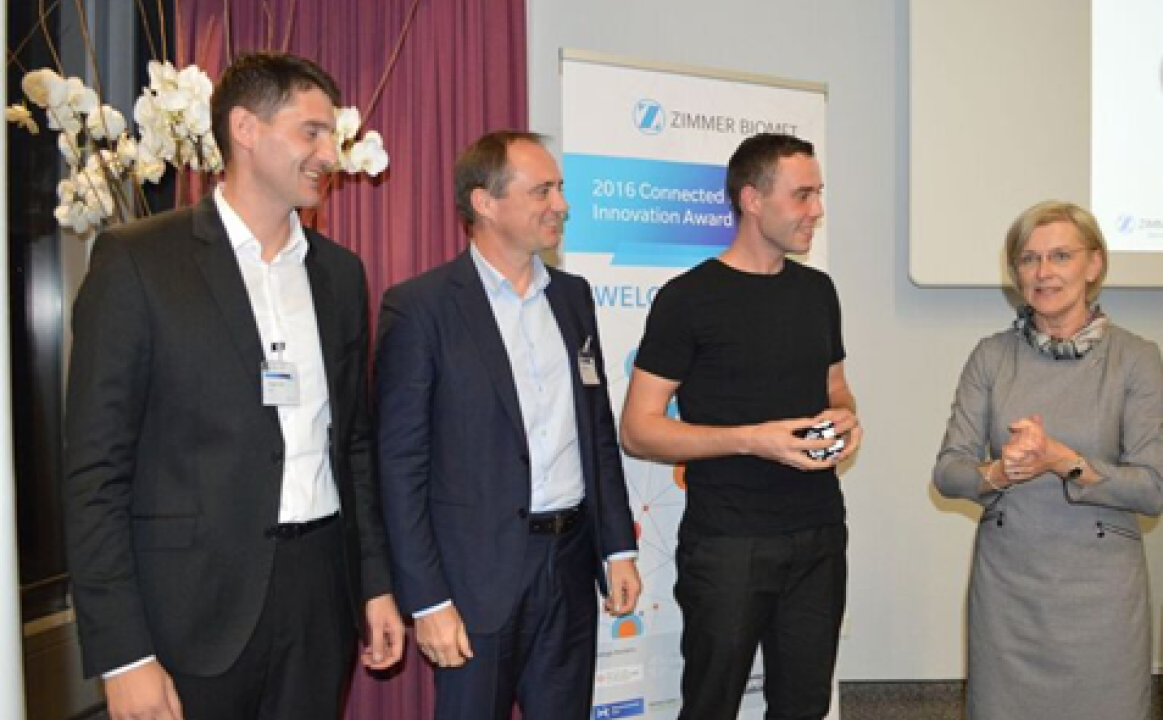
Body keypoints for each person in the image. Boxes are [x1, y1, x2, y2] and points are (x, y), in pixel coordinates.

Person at [63, 52, 404, 720]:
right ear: (245, 129)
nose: (328, 154)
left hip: (320, 599)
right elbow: (95, 473)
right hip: (189, 611)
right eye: (310, 132)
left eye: (331, 135)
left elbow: (354, 446)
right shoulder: (139, 260)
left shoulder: (340, 275)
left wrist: (375, 584)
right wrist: (123, 654)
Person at [375, 130, 641, 719]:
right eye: (542, 190)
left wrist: (618, 546)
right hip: (474, 580)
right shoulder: (421, 308)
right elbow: (399, 467)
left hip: (570, 566)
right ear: (485, 202)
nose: (561, 205)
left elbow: (596, 431)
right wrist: (427, 600)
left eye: (559, 189)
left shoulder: (573, 298)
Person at [620, 132, 862, 720]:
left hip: (819, 535)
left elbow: (836, 387)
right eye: (802, 195)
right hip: (728, 543)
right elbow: (638, 430)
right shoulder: (688, 298)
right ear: (752, 199)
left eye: (819, 193)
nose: (817, 209)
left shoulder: (817, 291)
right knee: (712, 705)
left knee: (804, 706)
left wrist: (846, 418)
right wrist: (753, 440)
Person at [933, 200, 1163, 720]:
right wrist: (998, 472)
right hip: (1008, 591)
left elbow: (1152, 490)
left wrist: (1065, 461)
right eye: (1029, 258)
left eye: (1060, 256)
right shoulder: (991, 356)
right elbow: (949, 472)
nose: (1043, 272)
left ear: (1094, 265)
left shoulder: (1136, 358)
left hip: (1101, 593)